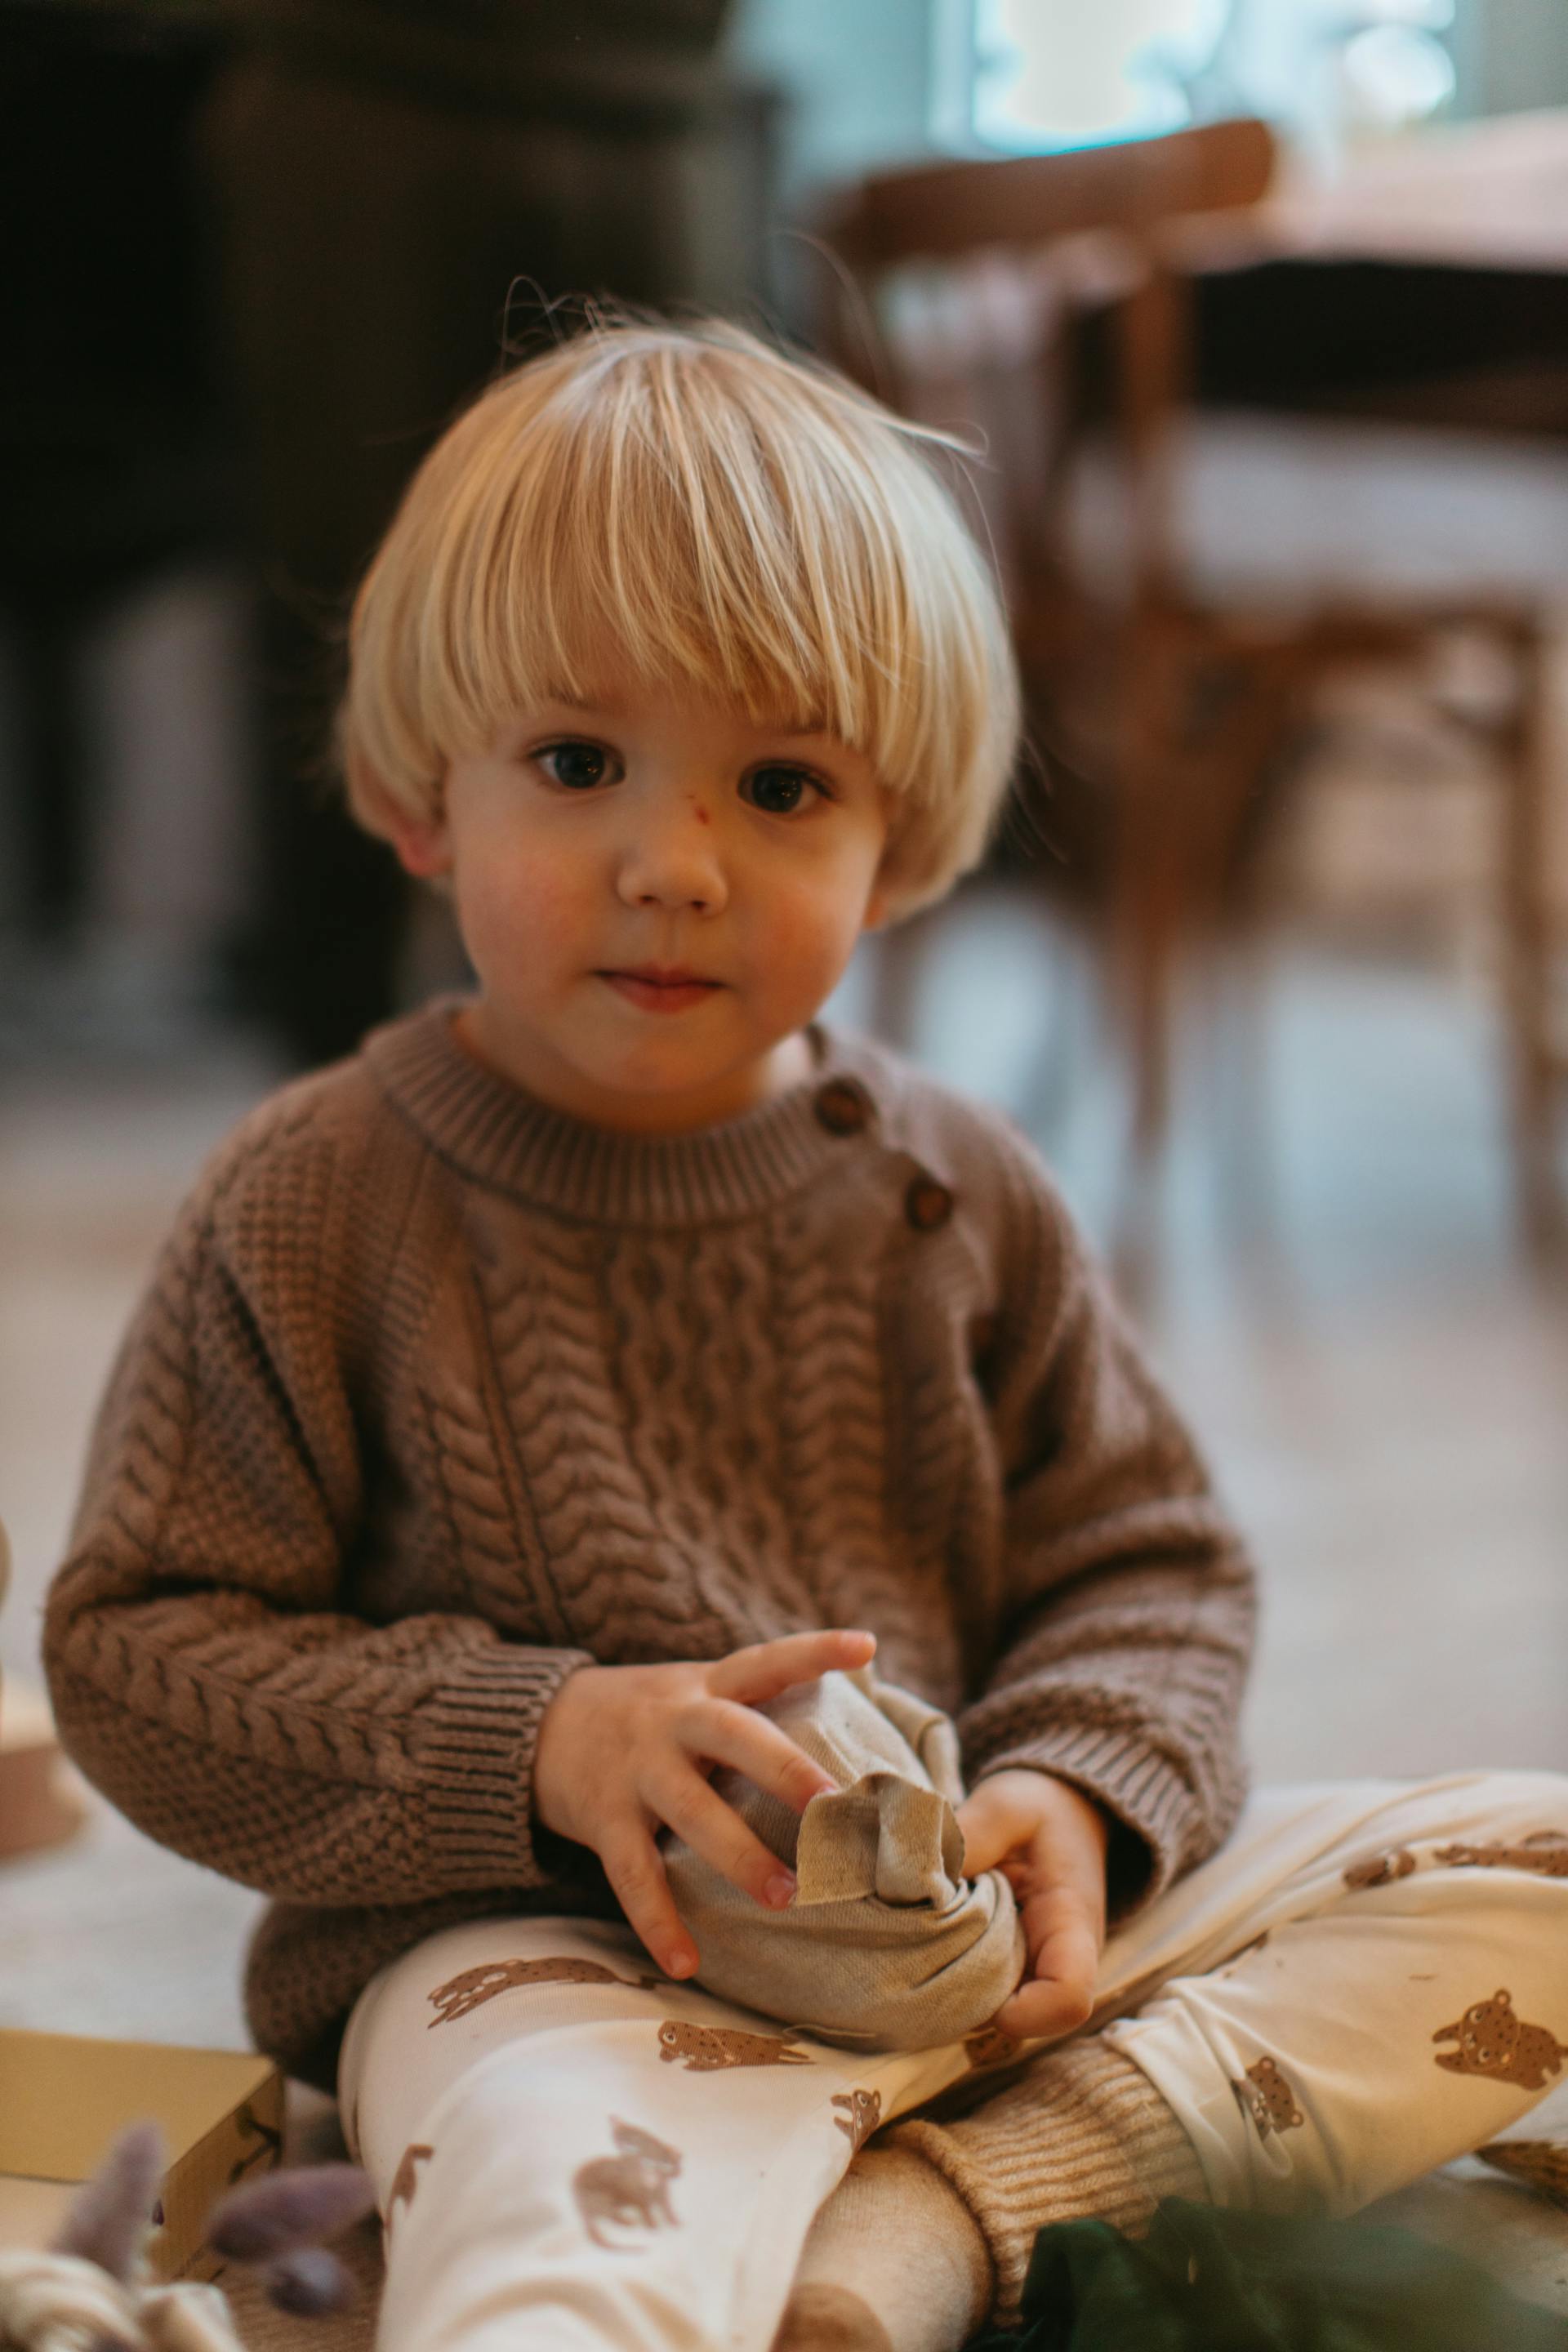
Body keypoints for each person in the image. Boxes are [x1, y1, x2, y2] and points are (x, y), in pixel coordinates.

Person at [43, 316, 1568, 2352]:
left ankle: (952, 2214)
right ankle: (866, 2221)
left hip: (997, 1969)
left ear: (897, 847)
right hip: (559, 1969)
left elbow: (1154, 1557)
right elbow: (139, 1652)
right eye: (578, 763)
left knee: (1540, 1867)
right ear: (422, 797)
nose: (673, 868)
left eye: (780, 786)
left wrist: (1074, 1799)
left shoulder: (959, 1188)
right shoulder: (315, 1198)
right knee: (551, 2227)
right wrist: (543, 1746)